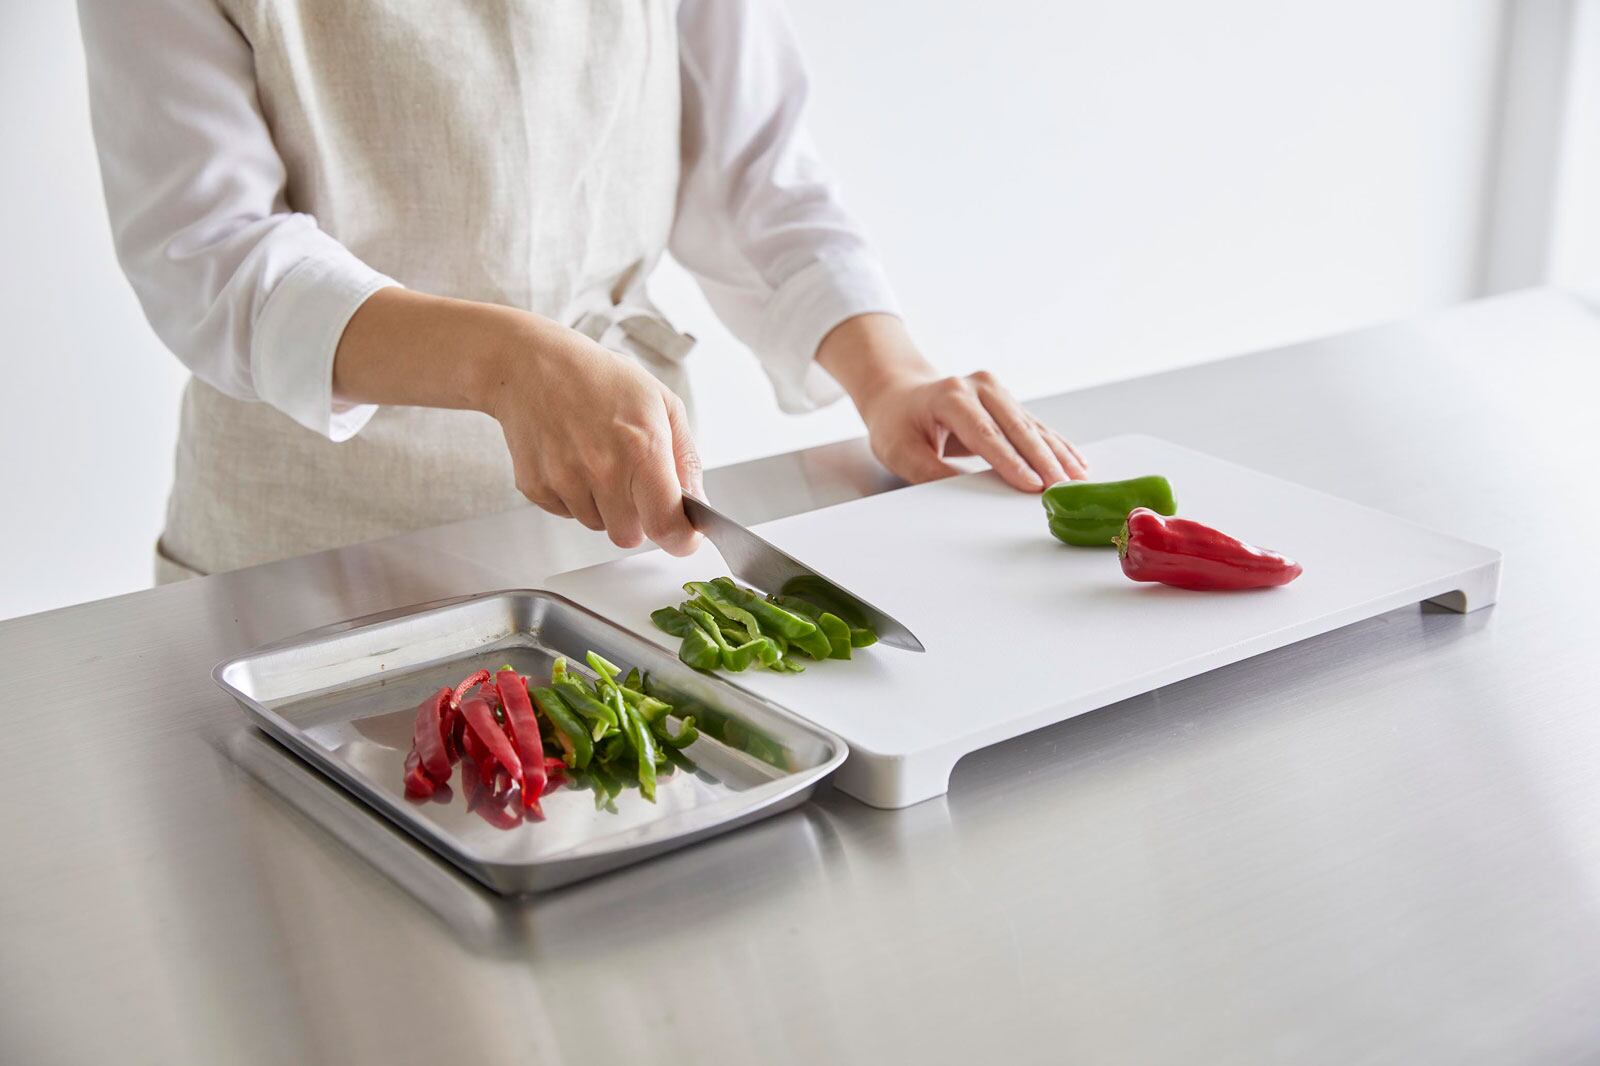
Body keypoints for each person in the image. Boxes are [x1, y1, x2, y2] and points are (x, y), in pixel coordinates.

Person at [79, 0, 1087, 582]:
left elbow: (749, 168)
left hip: (619, 527)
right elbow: (207, 251)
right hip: (307, 551)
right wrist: (506, 363)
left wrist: (889, 375)